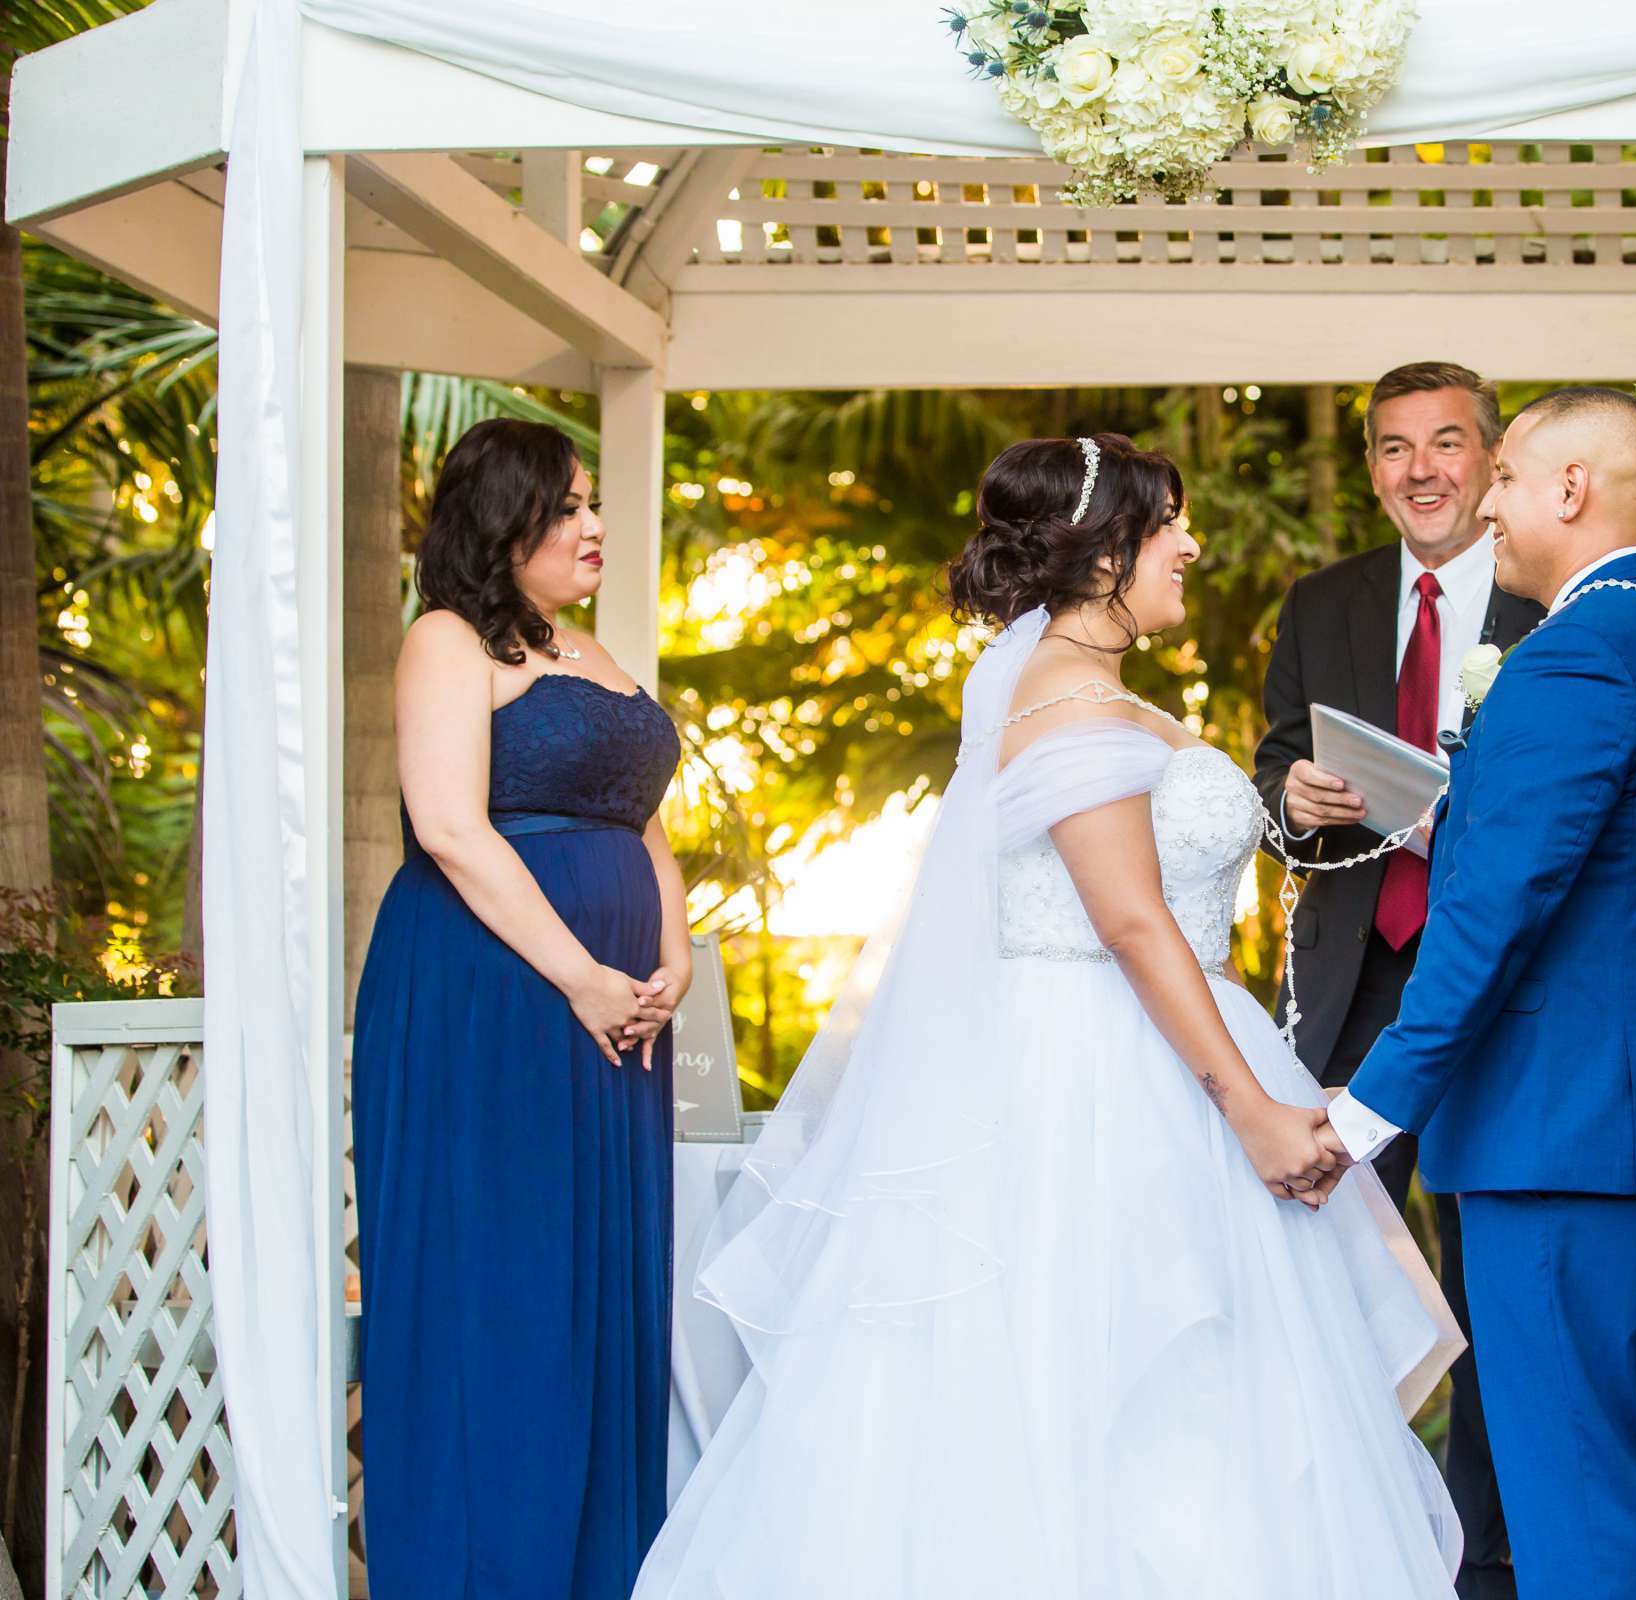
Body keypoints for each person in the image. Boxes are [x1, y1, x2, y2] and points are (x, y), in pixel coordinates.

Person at [634, 433, 1462, 1598]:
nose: (1192, 544)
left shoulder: (1095, 690)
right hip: (1104, 1082)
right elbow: (1131, 923)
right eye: (1169, 522)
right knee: (1105, 1382)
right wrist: (1255, 1112)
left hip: (1153, 1052)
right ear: (1104, 551)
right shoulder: (1070, 705)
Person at [1326, 388, 1636, 1600]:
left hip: (1558, 1148)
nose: (1488, 506)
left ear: (1570, 490)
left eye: (1504, 478)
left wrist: (1369, 1110)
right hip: (1633, 1140)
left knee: (1573, 1495)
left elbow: (1490, 916)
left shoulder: (1580, 656)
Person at [351, 417, 690, 1598]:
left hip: (615, 1015)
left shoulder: (592, 650)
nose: (593, 526)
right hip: (493, 994)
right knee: (500, 1277)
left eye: (594, 502)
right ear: (503, 524)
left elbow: (643, 818)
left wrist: (675, 954)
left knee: (601, 1283)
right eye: (566, 507)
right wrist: (580, 974)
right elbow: (448, 825)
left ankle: (601, 1566)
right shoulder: (446, 640)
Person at [1253, 360, 1541, 1598]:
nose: (1419, 469)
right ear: (1370, 467)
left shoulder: (1550, 605)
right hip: (1357, 984)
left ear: (1491, 462)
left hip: (1505, 991)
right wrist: (1289, 795)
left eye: (1445, 443)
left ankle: (1485, 1555)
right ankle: (1333, 1539)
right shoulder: (1323, 602)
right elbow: (1271, 758)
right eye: (1392, 448)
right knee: (1321, 1264)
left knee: (1490, 1278)